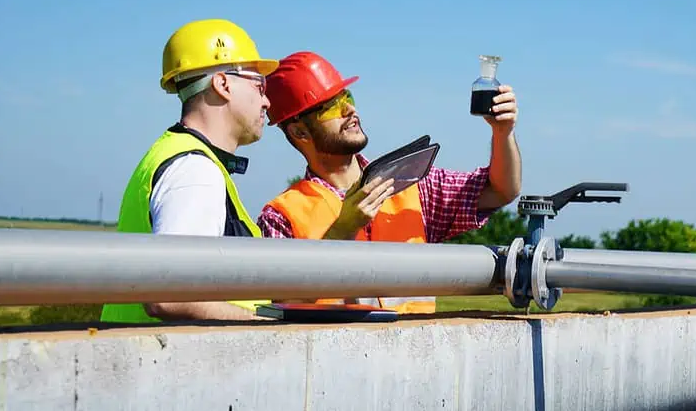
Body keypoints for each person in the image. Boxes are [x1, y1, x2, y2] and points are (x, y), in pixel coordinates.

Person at [256, 51, 522, 314]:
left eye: (347, 96)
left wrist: (503, 133)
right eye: (332, 107)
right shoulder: (281, 216)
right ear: (299, 131)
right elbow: (286, 304)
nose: (350, 110)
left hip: (417, 351)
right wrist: (343, 229)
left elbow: (501, 190)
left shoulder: (412, 183)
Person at [99, 19, 279, 324]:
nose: (266, 100)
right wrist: (264, 329)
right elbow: (168, 295)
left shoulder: (175, 155)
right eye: (258, 84)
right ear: (223, 84)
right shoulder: (194, 171)